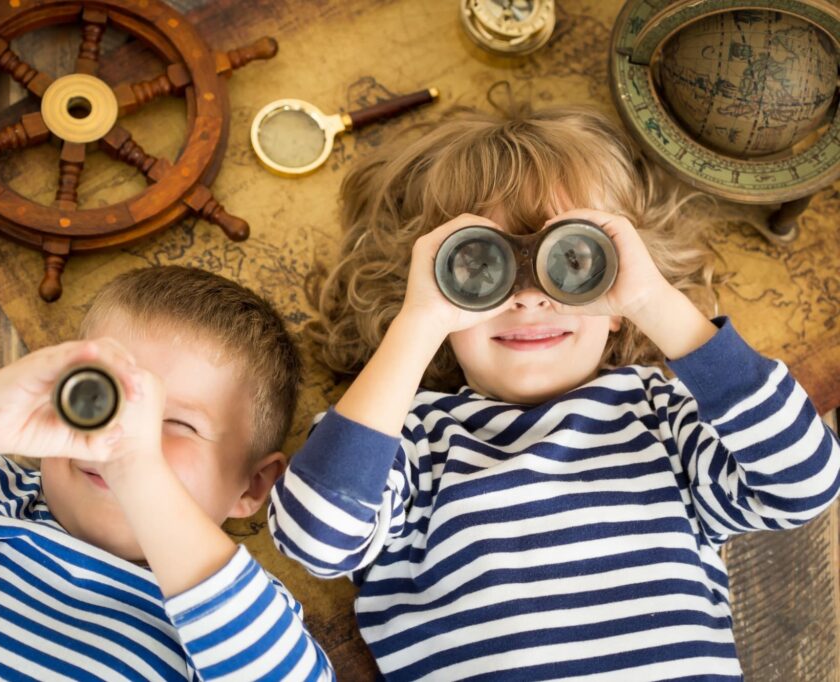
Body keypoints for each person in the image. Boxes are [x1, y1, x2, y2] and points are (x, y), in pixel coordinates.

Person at [267, 107, 840, 680]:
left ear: (617, 299)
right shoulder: (409, 441)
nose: (530, 299)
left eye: (571, 262)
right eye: (477, 266)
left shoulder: (659, 418)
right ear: (433, 290)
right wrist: (417, 326)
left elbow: (804, 482)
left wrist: (654, 302)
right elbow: (315, 537)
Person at [0, 265, 334, 680]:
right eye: (104, 398)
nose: (124, 434)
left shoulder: (233, 610)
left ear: (252, 487)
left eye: (176, 423)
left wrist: (140, 471)